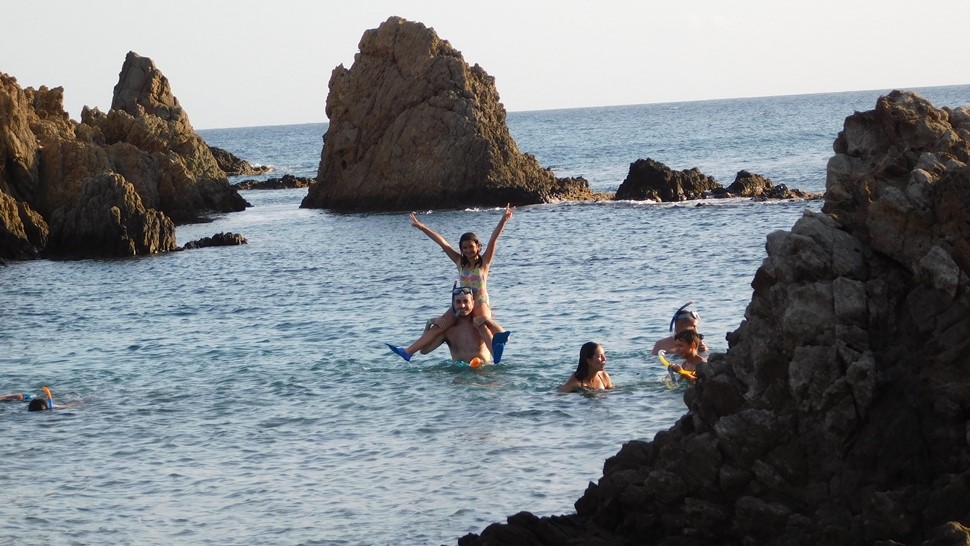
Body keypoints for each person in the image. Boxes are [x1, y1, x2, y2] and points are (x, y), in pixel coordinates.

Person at [388, 205, 514, 362]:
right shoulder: (459, 262)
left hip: (480, 300)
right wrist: (422, 227)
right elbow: (442, 243)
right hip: (461, 300)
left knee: (480, 324)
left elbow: (493, 239)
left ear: (478, 246)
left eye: (471, 247)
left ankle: (496, 353)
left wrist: (504, 219)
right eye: (465, 247)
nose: (468, 250)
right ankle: (408, 351)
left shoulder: (484, 263)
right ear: (461, 249)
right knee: (440, 325)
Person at [390, 286, 503, 364]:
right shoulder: (448, 331)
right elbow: (424, 350)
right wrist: (428, 323)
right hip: (460, 377)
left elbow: (504, 337)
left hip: (483, 372)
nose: (462, 306)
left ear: (473, 303)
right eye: (458, 302)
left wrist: (487, 320)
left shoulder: (480, 326)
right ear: (453, 304)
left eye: (465, 301)